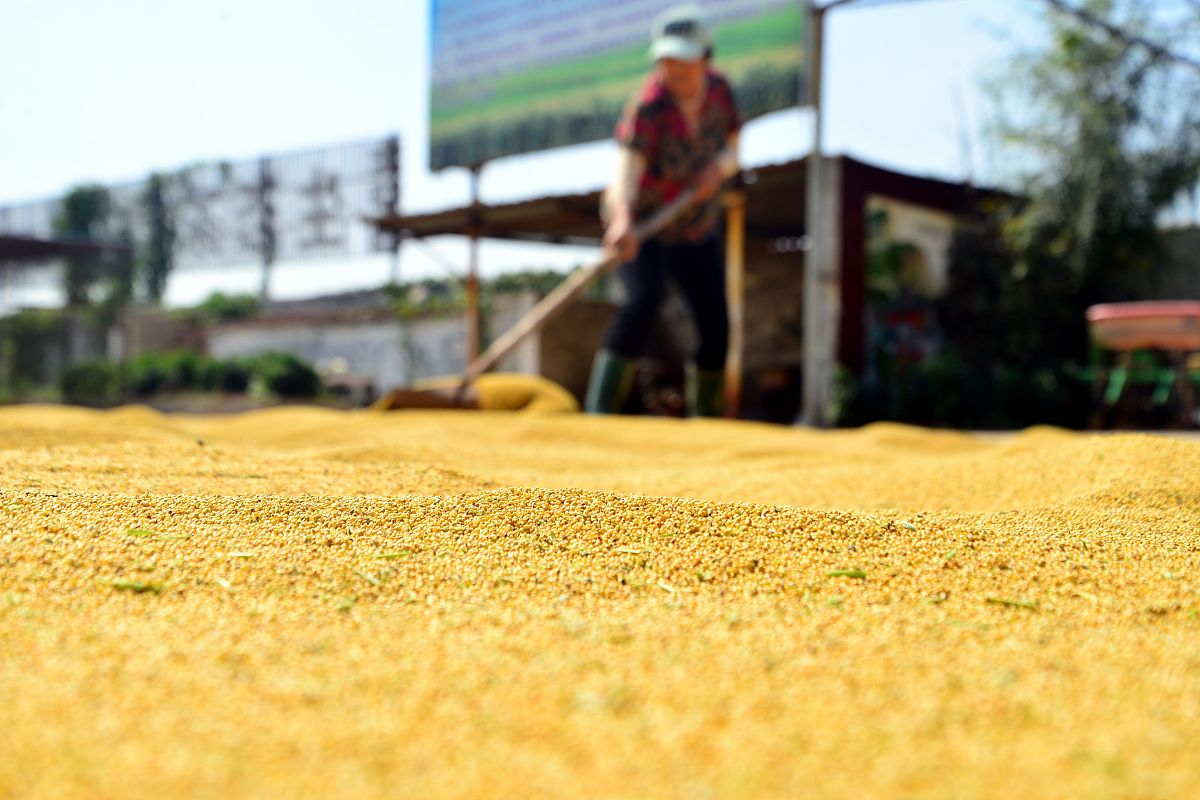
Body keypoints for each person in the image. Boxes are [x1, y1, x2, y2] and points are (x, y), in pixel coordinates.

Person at [585, 3, 742, 417]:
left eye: (684, 61)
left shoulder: (721, 92)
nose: (675, 71)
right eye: (667, 61)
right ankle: (598, 414)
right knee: (643, 300)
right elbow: (627, 167)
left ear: (706, 59)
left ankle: (707, 419)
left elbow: (734, 147)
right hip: (642, 224)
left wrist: (718, 168)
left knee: (715, 319)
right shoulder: (649, 106)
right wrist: (621, 219)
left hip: (695, 224)